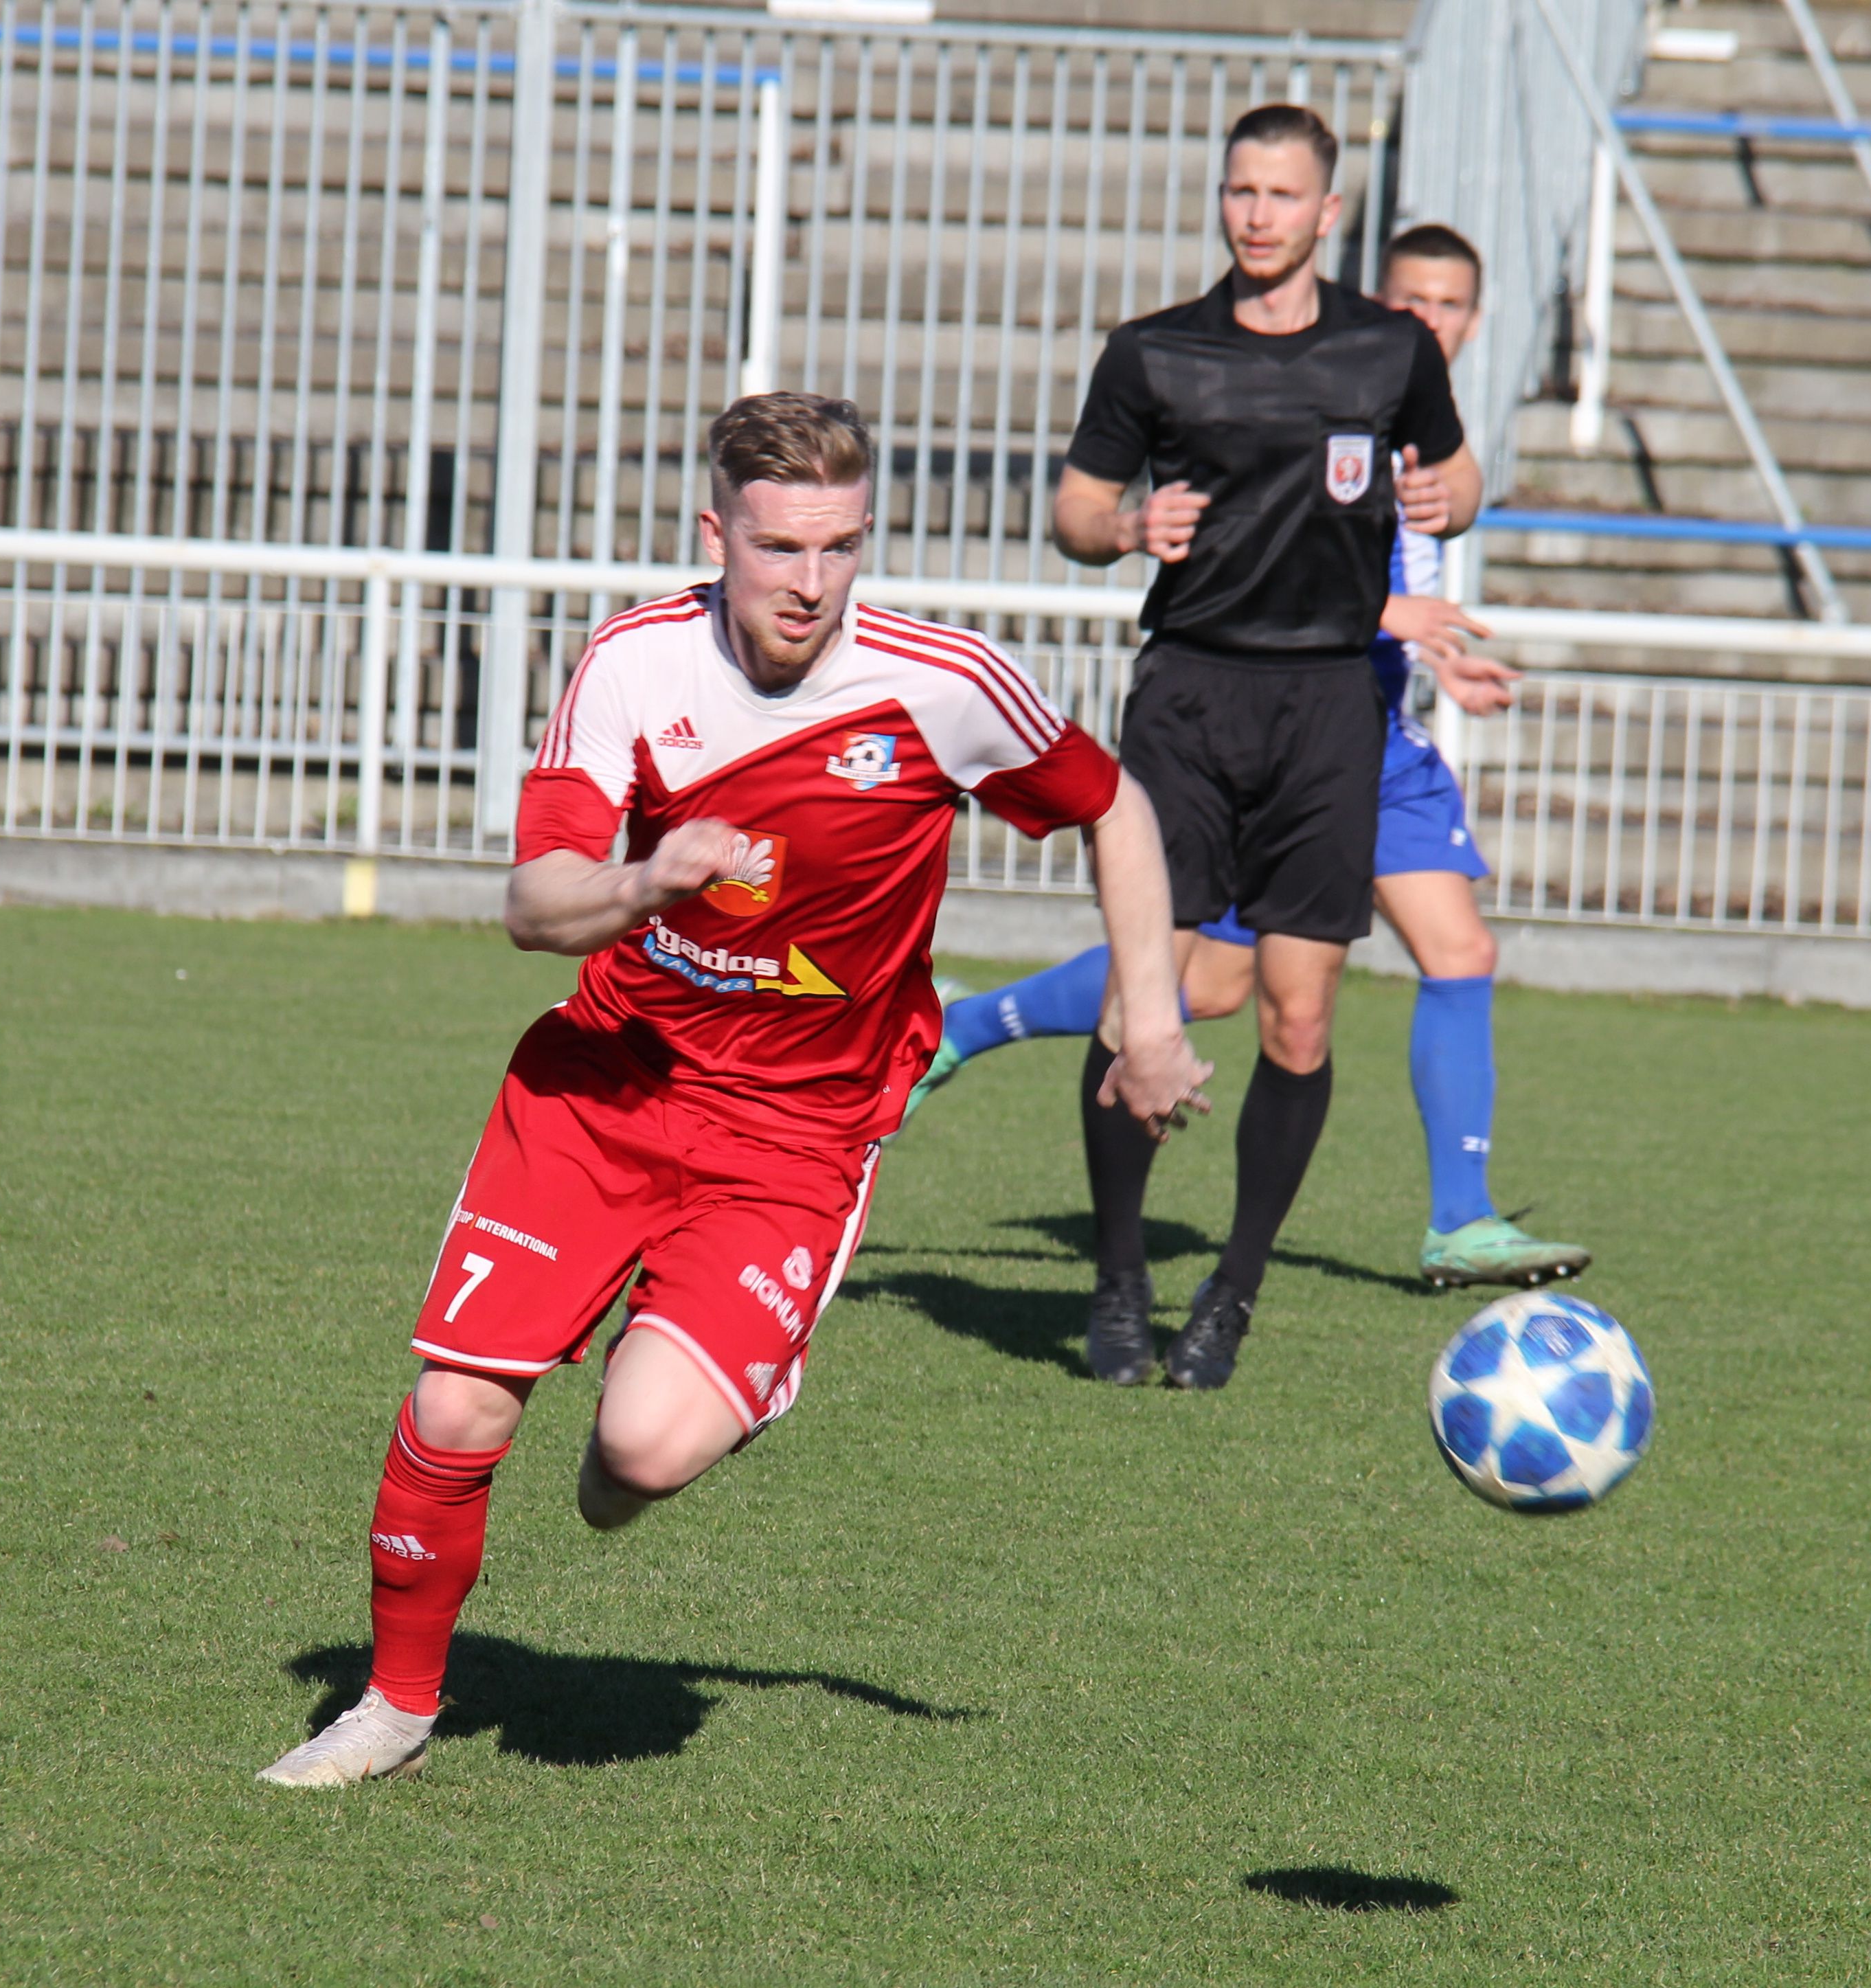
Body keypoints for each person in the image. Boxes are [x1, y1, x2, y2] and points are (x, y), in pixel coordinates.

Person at [258, 394, 1207, 1786]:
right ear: (718, 535)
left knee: (635, 1461)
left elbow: (1111, 804)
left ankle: (689, 1387)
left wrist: (1149, 1013)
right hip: (608, 1087)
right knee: (459, 1405)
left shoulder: (941, 684)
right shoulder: (637, 663)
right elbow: (534, 903)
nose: (811, 582)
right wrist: (648, 878)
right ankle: (393, 1709)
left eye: (840, 546)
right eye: (779, 548)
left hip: (797, 1135)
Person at [913, 225, 1591, 1298]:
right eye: (1411, 299)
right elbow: (1262, 560)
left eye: (1451, 305)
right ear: (1373, 299)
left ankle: (1460, 1220)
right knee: (1206, 985)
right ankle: (963, 1025)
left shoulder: (1417, 420)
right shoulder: (1316, 388)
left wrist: (1430, 652)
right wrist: (1391, 614)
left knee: (1458, 949)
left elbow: (1409, 546)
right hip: (1283, 731)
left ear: (1475, 319)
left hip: (1375, 733)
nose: (1429, 320)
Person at [1047, 106, 1482, 1394]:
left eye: (1283, 195)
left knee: (1297, 1016)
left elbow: (1459, 478)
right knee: (1145, 995)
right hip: (1189, 694)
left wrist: (1445, 496)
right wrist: (1129, 528)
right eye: (1241, 190)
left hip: (1331, 704)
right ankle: (1119, 1278)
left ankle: (1229, 1293)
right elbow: (1075, 509)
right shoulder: (1155, 352)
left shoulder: (1389, 349)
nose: (1257, 214)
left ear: (1327, 213)